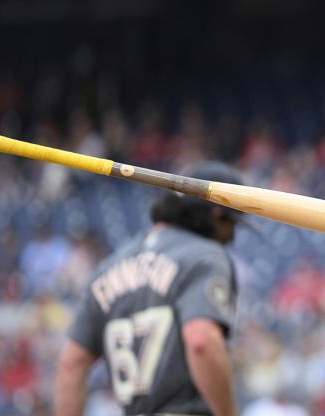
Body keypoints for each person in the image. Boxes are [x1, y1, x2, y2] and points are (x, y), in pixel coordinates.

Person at [55, 160, 250, 416]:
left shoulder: (108, 268)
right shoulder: (204, 255)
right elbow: (202, 341)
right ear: (216, 214)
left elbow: (71, 364)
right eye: (232, 224)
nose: (231, 236)